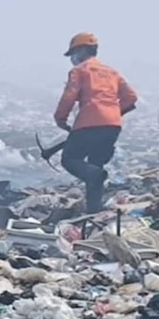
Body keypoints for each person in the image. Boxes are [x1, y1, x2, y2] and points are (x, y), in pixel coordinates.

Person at [53, 32, 138, 214]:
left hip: (88, 123)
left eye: (73, 54)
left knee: (70, 159)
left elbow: (69, 96)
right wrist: (114, 113)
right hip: (113, 126)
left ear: (82, 50)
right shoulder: (112, 72)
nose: (73, 59)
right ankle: (94, 211)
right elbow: (131, 97)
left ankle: (94, 182)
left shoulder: (80, 71)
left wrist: (60, 119)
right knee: (95, 167)